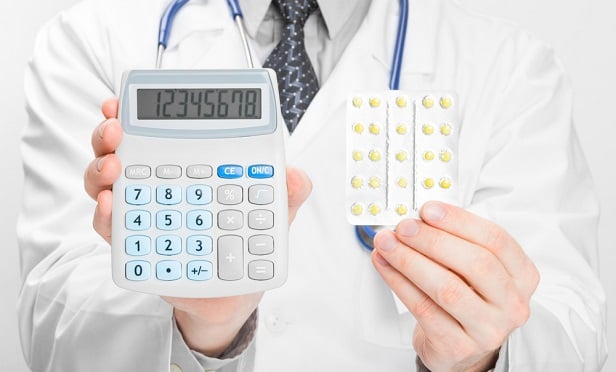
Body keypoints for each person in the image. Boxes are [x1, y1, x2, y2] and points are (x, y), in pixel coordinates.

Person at [18, 0, 607, 371]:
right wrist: (206, 327)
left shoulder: (509, 67)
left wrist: (483, 353)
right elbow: (53, 337)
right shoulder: (90, 40)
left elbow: (573, 334)